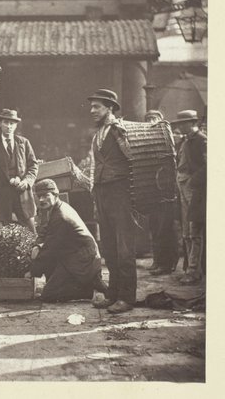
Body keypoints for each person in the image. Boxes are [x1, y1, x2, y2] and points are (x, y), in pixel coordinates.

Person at [88, 89, 136, 314]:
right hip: (102, 193)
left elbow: (133, 158)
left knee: (123, 246)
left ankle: (127, 298)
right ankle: (113, 294)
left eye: (96, 106)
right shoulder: (98, 133)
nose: (92, 110)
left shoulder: (118, 130)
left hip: (119, 192)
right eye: (92, 107)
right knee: (109, 246)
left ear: (110, 108)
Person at [29, 179, 107, 302]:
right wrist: (37, 245)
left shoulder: (61, 216)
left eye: (45, 195)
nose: (41, 200)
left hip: (83, 259)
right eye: (39, 196)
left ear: (55, 195)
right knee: (47, 260)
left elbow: (50, 248)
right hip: (74, 254)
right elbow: (45, 231)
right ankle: (85, 283)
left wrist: (32, 272)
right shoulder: (56, 208)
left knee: (48, 296)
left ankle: (88, 289)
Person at [0, 109, 38, 234]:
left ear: (16, 125)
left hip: (23, 196)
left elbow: (33, 166)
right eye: (6, 122)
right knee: (6, 235)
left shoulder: (24, 143)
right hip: (3, 198)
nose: (9, 126)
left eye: (12, 123)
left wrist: (26, 181)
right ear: (0, 124)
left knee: (32, 233)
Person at [171, 110, 207, 284]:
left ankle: (194, 271)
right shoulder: (185, 141)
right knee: (186, 229)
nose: (179, 126)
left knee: (194, 230)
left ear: (191, 123)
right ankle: (190, 268)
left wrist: (193, 181)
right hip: (182, 186)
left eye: (182, 123)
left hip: (194, 189)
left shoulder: (201, 140)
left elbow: (210, 166)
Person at [144, 110, 179, 275]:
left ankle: (168, 263)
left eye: (154, 118)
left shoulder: (168, 137)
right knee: (154, 226)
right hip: (153, 190)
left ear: (161, 119)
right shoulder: (146, 140)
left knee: (166, 228)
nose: (151, 121)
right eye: (148, 119)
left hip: (167, 190)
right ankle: (158, 260)